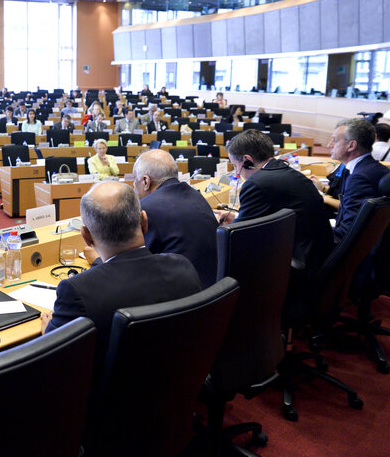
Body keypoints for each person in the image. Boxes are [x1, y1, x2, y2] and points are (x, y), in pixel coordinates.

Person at [40, 181, 201, 370]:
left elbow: (53, 360)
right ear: (144, 222)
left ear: (86, 236)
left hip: (105, 398)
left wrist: (47, 332)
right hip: (178, 385)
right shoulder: (183, 267)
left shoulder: (77, 293)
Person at [216, 130, 334, 282]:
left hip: (299, 268)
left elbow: (237, 236)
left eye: (235, 165)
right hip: (320, 256)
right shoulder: (289, 172)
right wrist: (238, 217)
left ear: (247, 160)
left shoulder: (257, 183)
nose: (237, 173)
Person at [132, 150, 218, 287]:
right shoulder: (195, 195)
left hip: (181, 298)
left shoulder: (146, 209)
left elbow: (134, 265)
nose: (133, 186)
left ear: (146, 181)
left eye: (134, 180)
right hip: (215, 291)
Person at [318, 118, 389, 242]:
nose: (329, 145)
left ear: (351, 145)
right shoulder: (374, 169)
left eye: (335, 140)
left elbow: (346, 233)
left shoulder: (360, 178)